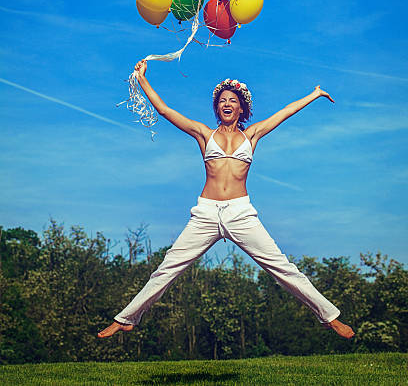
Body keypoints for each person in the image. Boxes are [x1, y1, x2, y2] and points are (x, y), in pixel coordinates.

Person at [98, 60, 354, 340]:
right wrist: (142, 79)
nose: (227, 103)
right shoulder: (204, 134)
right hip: (206, 213)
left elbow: (284, 113)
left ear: (241, 108)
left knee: (282, 267)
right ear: (217, 108)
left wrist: (314, 94)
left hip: (240, 213)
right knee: (167, 267)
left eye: (232, 100)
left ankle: (329, 317)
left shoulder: (252, 135)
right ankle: (127, 318)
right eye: (222, 101)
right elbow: (164, 110)